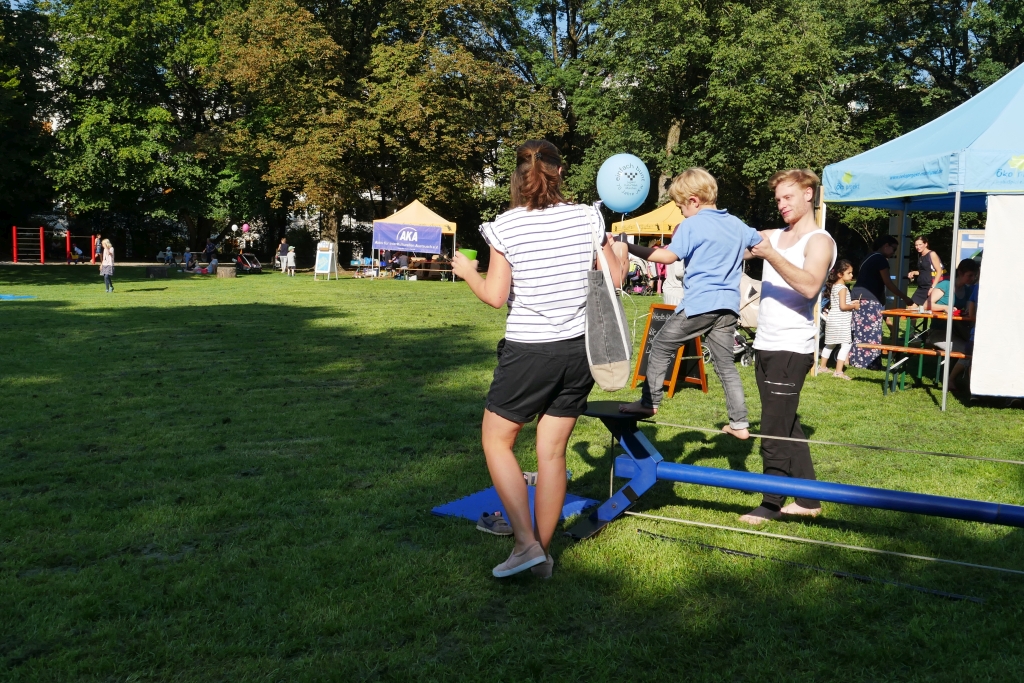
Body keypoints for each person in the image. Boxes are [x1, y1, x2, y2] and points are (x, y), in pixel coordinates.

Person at [450, 139, 626, 579]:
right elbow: (615, 278)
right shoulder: (588, 217)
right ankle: (541, 559)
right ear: (560, 172)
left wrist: (468, 272)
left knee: (497, 440)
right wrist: (618, 251)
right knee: (552, 452)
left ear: (517, 176)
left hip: (530, 350)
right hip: (581, 351)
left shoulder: (504, 227)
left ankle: (527, 544)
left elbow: (495, 296)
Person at [618, 167, 760, 440]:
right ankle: (740, 424)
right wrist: (731, 253)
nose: (680, 211)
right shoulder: (735, 223)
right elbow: (757, 245)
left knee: (660, 346)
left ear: (694, 200)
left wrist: (630, 247)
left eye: (680, 205)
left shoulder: (693, 225)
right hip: (729, 307)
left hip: (701, 304)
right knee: (725, 365)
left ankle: (649, 404)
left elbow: (668, 258)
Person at [741, 169, 836, 525]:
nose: (781, 205)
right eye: (778, 199)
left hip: (791, 349)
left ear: (809, 194)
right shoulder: (773, 235)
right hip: (765, 344)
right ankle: (810, 500)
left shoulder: (819, 241)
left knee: (773, 429)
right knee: (787, 423)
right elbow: (733, 241)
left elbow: (810, 286)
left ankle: (770, 503)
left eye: (788, 197)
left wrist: (770, 254)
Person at [847, 235, 914, 369]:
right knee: (872, 332)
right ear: (886, 246)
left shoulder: (869, 257)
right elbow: (887, 282)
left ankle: (857, 360)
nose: (894, 253)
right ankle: (870, 363)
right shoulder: (880, 259)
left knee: (860, 331)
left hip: (859, 296)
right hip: (869, 299)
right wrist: (904, 297)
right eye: (893, 249)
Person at [926, 258, 980, 353]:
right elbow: (926, 305)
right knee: (969, 350)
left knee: (977, 348)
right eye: (970, 275)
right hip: (939, 332)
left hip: (958, 330)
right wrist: (945, 307)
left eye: (974, 275)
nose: (972, 278)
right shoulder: (946, 285)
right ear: (960, 273)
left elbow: (968, 309)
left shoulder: (968, 290)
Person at [818, 259, 859, 380]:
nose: (852, 275)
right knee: (846, 345)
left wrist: (851, 302)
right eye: (849, 273)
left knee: (830, 344)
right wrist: (854, 306)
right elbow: (843, 306)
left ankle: (822, 367)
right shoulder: (843, 288)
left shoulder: (835, 286)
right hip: (841, 321)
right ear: (840, 274)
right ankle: (838, 371)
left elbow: (839, 304)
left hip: (833, 319)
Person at [907, 235, 945, 305]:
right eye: (916, 245)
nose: (918, 247)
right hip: (921, 287)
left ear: (926, 244)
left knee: (926, 309)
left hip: (930, 286)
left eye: (920, 244)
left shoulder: (932, 254)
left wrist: (933, 287)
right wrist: (914, 272)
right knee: (911, 307)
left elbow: (939, 271)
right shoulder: (921, 256)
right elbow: (924, 271)